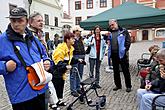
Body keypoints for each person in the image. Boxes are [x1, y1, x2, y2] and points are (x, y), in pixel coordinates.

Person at [0, 7, 51, 110]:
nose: (16, 24)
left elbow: (44, 54)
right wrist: (4, 66)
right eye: (13, 20)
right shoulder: (2, 40)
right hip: (21, 96)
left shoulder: (32, 37)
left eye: (20, 20)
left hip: (41, 89)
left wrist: (47, 61)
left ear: (27, 21)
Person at [52, 32, 83, 106]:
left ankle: (59, 100)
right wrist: (65, 66)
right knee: (56, 86)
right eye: (72, 39)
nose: (74, 40)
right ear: (67, 40)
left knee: (61, 86)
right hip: (56, 71)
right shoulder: (61, 48)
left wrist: (77, 60)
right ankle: (53, 104)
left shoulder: (70, 48)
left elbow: (70, 59)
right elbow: (58, 62)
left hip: (62, 71)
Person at [108, 19, 132, 92]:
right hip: (114, 54)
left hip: (122, 55)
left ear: (116, 23)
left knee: (125, 71)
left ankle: (128, 86)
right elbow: (108, 41)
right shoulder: (110, 32)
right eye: (110, 25)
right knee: (116, 71)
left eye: (112, 24)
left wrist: (125, 49)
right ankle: (118, 85)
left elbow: (128, 41)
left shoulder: (123, 31)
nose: (111, 26)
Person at [70, 27, 85, 97]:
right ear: (74, 32)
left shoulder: (80, 39)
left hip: (82, 56)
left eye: (80, 31)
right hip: (75, 57)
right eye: (78, 31)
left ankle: (78, 87)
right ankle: (73, 90)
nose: (79, 32)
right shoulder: (72, 39)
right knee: (74, 74)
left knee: (80, 73)